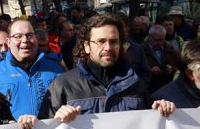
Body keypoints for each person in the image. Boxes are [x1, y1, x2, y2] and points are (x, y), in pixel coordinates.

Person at [40, 13, 175, 118]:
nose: (108, 47)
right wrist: (56, 121)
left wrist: (162, 111)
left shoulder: (136, 84)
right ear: (87, 46)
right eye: (101, 41)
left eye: (114, 42)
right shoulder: (63, 85)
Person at [0, 19, 65, 120]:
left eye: (29, 35)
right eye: (18, 36)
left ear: (36, 38)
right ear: (8, 42)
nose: (25, 40)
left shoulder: (56, 68)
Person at [143, 24, 180, 93]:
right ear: (149, 37)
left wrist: (171, 69)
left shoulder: (171, 50)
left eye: (162, 40)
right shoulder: (141, 51)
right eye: (156, 40)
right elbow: (137, 71)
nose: (159, 43)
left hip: (167, 88)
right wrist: (150, 71)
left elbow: (180, 67)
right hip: (149, 90)